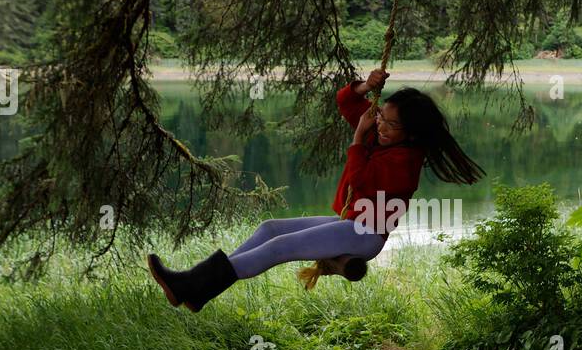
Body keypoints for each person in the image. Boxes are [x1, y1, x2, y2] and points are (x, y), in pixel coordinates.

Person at [147, 68, 484, 311]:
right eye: (380, 116)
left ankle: (190, 287)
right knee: (271, 228)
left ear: (410, 133)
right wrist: (366, 87)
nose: (380, 124)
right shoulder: (381, 135)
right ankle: (195, 287)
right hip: (352, 223)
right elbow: (345, 103)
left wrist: (357, 138)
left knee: (279, 246)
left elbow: (360, 180)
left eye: (391, 124)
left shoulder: (404, 160)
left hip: (365, 234)